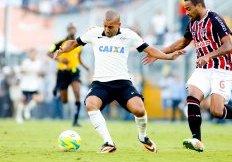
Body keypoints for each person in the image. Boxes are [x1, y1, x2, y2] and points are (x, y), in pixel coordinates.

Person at [142, 0, 232, 152]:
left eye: (189, 9)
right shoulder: (192, 23)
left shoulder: (214, 19)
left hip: (222, 69)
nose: (187, 13)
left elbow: (229, 46)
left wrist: (208, 55)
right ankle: (196, 139)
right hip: (204, 69)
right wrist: (158, 53)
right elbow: (183, 42)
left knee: (217, 111)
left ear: (199, 6)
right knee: (192, 95)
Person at [53, 10, 185, 153]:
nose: (106, 30)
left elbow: (150, 49)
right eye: (105, 26)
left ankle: (143, 137)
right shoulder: (94, 33)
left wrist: (169, 57)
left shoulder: (129, 35)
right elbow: (73, 43)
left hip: (122, 83)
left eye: (110, 27)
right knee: (91, 104)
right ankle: (108, 143)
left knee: (140, 110)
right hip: (101, 84)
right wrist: (62, 49)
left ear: (119, 25)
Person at [47, 23, 89, 127]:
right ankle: (57, 88)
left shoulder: (79, 43)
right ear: (67, 30)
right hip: (63, 73)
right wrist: (60, 59)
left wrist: (84, 66)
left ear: (75, 29)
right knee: (64, 99)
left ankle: (75, 120)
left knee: (77, 92)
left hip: (74, 72)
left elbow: (78, 57)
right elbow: (49, 53)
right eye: (70, 28)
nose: (71, 30)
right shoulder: (60, 43)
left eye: (73, 28)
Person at [16, 48, 44, 123]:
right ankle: (18, 116)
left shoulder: (39, 62)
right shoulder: (26, 62)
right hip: (25, 85)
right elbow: (21, 71)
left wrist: (39, 74)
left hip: (34, 85)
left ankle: (27, 109)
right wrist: (28, 71)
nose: (32, 55)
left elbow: (41, 73)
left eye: (34, 53)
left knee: (38, 99)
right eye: (31, 53)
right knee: (23, 101)